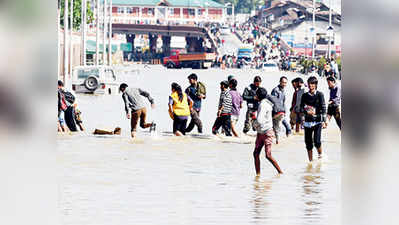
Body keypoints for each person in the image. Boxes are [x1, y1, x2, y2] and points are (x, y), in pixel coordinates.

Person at [253, 87, 283, 175]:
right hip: (264, 131)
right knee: (258, 154)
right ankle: (258, 175)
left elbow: (259, 120)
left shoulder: (262, 105)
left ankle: (280, 172)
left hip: (265, 132)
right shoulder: (267, 103)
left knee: (266, 155)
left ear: (258, 96)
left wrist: (253, 122)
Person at [300, 76, 327, 162]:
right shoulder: (304, 95)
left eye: (312, 84)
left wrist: (324, 121)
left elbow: (323, 108)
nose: (310, 85)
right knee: (308, 143)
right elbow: (300, 108)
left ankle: (320, 156)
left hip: (317, 121)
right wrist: (305, 111)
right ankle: (310, 161)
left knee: (317, 141)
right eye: (309, 84)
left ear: (316, 85)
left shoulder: (320, 95)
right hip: (307, 122)